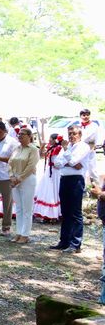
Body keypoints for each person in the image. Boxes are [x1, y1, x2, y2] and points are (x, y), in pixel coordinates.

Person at [51, 125, 90, 253]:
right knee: (65, 212)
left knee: (75, 213)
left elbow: (74, 163)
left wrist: (68, 158)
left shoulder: (83, 146)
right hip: (64, 179)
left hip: (76, 180)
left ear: (80, 134)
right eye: (69, 134)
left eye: (74, 134)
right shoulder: (67, 148)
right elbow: (57, 163)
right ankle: (64, 241)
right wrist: (69, 160)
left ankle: (75, 244)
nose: (71, 136)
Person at [8, 128, 40, 244]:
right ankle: (19, 232)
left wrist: (19, 178)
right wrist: (11, 176)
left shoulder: (33, 149)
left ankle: (25, 234)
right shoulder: (17, 148)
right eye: (19, 134)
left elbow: (31, 166)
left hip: (27, 179)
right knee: (19, 208)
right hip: (15, 179)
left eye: (22, 134)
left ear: (29, 136)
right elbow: (10, 163)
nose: (20, 136)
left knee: (27, 208)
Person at [34, 133, 63, 222]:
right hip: (49, 171)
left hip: (54, 172)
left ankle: (53, 214)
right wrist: (42, 146)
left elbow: (56, 161)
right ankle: (48, 213)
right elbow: (42, 155)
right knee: (46, 190)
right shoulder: (52, 148)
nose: (49, 140)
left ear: (55, 140)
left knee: (52, 190)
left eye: (50, 139)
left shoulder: (58, 149)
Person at [80, 108, 101, 193]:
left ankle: (97, 188)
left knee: (92, 169)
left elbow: (95, 137)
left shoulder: (94, 125)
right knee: (82, 168)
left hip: (90, 147)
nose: (86, 117)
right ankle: (83, 188)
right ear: (80, 116)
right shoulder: (79, 125)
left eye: (87, 115)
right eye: (84, 115)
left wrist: (96, 145)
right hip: (81, 148)